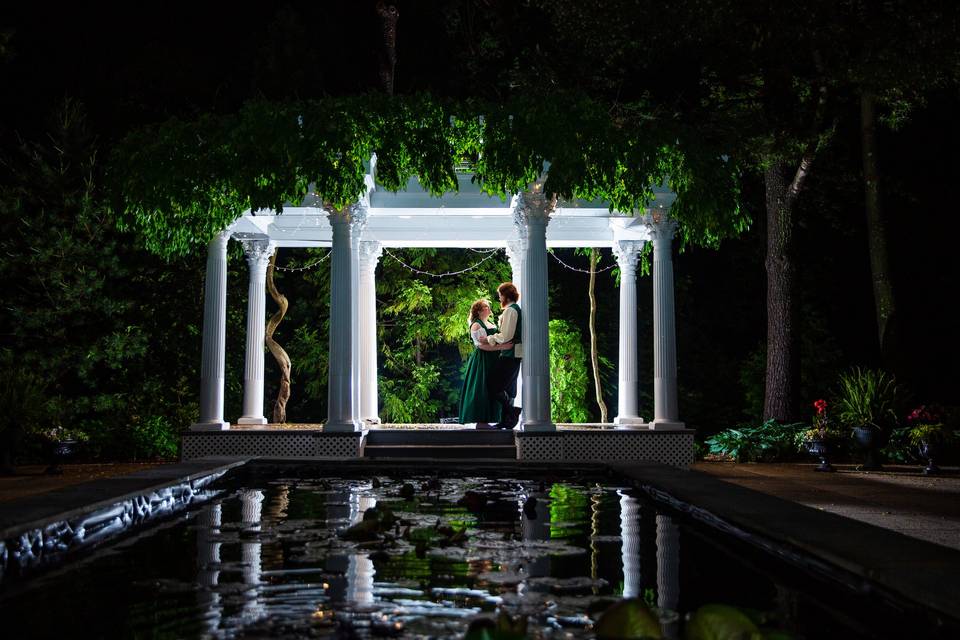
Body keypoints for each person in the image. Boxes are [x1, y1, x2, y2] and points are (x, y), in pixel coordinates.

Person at [458, 299, 512, 429]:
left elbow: (493, 340)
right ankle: (481, 422)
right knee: (482, 387)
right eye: (486, 307)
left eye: (488, 306)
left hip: (494, 359)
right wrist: (503, 347)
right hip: (483, 360)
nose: (489, 308)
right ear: (479, 310)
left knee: (495, 387)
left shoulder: (489, 323)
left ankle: (496, 418)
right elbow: (482, 346)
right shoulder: (476, 325)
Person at [486, 282, 523, 429]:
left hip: (510, 353)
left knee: (492, 384)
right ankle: (506, 421)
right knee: (507, 388)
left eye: (500, 295)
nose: (499, 297)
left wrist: (491, 338)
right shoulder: (514, 309)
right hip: (513, 352)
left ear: (506, 296)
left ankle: (512, 411)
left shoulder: (510, 310)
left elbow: (506, 335)